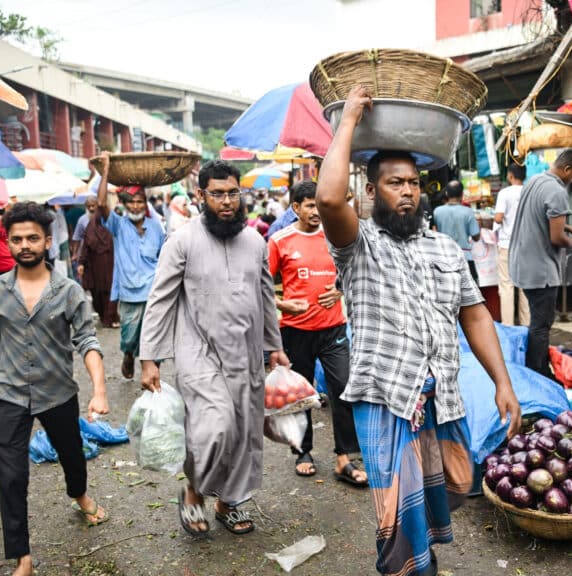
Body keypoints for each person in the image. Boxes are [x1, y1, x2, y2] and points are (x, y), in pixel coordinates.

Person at [316, 85, 521, 576]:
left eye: (412, 183)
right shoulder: (359, 244)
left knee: (457, 481)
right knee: (395, 519)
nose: (406, 191)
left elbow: (473, 314)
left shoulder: (445, 250)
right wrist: (348, 121)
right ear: (371, 190)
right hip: (386, 399)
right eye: (393, 183)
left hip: (441, 397)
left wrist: (502, 381)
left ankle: (419, 559)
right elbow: (326, 197)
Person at [139, 159, 289, 538]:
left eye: (232, 193)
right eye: (217, 194)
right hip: (198, 350)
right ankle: (193, 491)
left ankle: (228, 503)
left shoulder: (256, 241)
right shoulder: (183, 240)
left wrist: (274, 346)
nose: (226, 202)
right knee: (215, 426)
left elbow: (266, 297)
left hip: (246, 350)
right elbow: (160, 300)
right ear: (200, 195)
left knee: (242, 430)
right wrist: (149, 358)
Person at [0, 202, 110, 576]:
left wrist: (99, 389)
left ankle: (79, 494)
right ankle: (23, 557)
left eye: (33, 238)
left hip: (58, 392)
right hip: (10, 394)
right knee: (11, 475)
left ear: (48, 241)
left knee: (72, 455)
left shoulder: (68, 291)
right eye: (17, 239)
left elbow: (87, 342)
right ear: (8, 243)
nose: (25, 245)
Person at [269, 181, 366, 485]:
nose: (316, 211)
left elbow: (355, 270)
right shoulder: (279, 241)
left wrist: (338, 291)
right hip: (295, 331)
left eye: (319, 205)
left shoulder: (337, 236)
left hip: (334, 328)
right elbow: (258, 288)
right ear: (295, 207)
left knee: (344, 388)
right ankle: (303, 451)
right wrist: (285, 304)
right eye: (309, 205)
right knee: (301, 395)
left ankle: (344, 458)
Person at [509, 150, 572, 379]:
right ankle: (538, 373)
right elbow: (556, 239)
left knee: (537, 322)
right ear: (567, 169)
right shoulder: (557, 191)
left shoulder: (535, 180)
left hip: (523, 264)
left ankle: (534, 367)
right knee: (541, 325)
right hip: (540, 270)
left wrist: (569, 227)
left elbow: (541, 218)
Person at [95, 161, 166, 380]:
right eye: (132, 202)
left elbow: (164, 258)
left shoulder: (156, 227)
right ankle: (128, 354)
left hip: (153, 290)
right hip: (129, 291)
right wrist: (106, 171)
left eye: (140, 202)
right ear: (125, 204)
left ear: (145, 204)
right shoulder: (118, 225)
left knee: (154, 334)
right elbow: (100, 203)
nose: (136, 206)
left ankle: (153, 370)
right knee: (129, 335)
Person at [494, 163, 530, 326]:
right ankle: (526, 325)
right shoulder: (529, 192)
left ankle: (508, 325)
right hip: (526, 245)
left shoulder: (505, 193)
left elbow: (499, 218)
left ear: (510, 175)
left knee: (507, 286)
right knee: (524, 287)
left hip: (507, 244)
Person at [76, 199, 120, 329]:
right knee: (97, 293)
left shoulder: (111, 228)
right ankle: (103, 315)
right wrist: (81, 263)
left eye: (93, 206)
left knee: (110, 292)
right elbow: (85, 247)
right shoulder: (90, 228)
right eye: (88, 206)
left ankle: (110, 317)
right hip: (95, 267)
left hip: (111, 265)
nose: (91, 208)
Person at [432, 180, 481, 282]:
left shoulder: (437, 211)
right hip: (465, 257)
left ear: (446, 193)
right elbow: (476, 236)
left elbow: (435, 232)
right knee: (470, 291)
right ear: (462, 194)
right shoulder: (468, 212)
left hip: (444, 257)